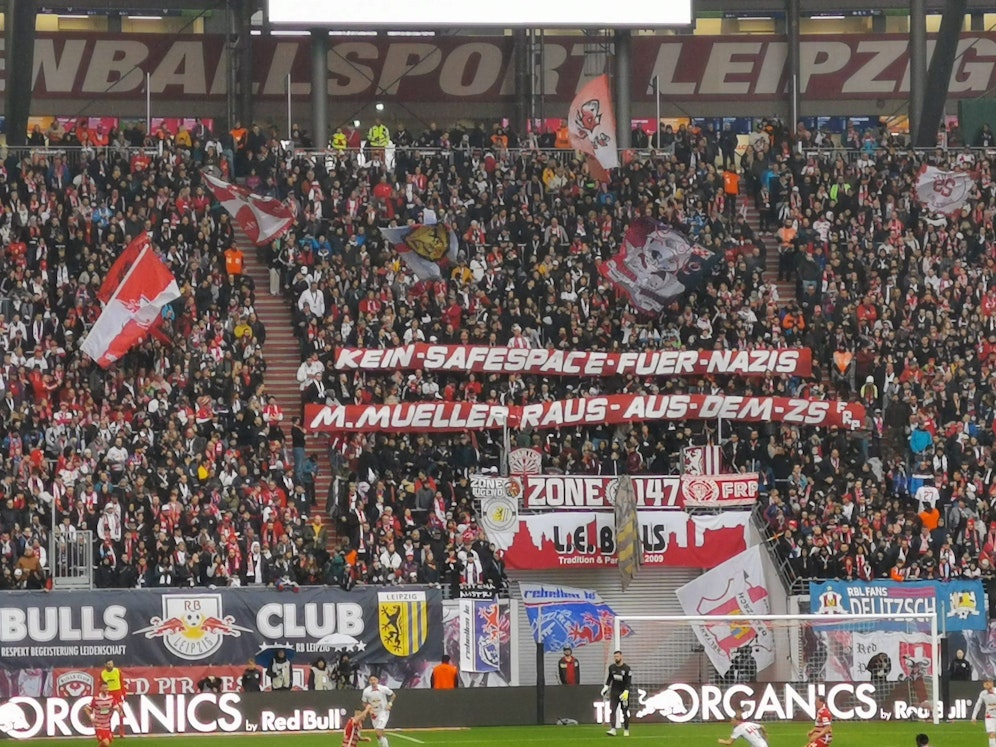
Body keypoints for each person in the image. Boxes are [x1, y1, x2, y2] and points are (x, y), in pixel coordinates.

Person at [601, 650, 631, 736]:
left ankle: (626, 729)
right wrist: (606, 687)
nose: (616, 658)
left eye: (617, 656)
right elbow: (610, 678)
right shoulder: (612, 668)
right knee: (612, 710)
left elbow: (628, 682)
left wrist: (626, 691)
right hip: (614, 692)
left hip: (623, 693)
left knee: (625, 711)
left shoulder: (627, 669)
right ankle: (613, 729)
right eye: (615, 657)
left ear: (621, 657)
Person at [85, 682, 123, 747]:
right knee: (106, 742)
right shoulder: (96, 699)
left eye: (107, 688)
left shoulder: (111, 698)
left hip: (107, 725)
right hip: (98, 725)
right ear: (100, 689)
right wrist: (91, 717)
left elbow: (116, 708)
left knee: (106, 744)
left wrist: (120, 711)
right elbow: (86, 708)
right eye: (104, 688)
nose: (106, 689)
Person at [361, 674, 395, 747]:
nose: (373, 681)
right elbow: (364, 703)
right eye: (371, 680)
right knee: (378, 734)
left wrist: (389, 704)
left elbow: (393, 695)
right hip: (374, 714)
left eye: (374, 680)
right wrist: (369, 709)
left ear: (377, 680)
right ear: (369, 681)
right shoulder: (366, 691)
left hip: (383, 712)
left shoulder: (383, 688)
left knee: (379, 731)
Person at [100, 659, 126, 738]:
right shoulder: (102, 673)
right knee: (106, 713)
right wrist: (102, 695)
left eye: (112, 664)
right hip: (108, 694)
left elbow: (122, 682)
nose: (111, 665)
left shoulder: (117, 671)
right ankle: (108, 732)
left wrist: (123, 694)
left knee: (120, 712)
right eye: (109, 664)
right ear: (105, 665)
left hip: (117, 693)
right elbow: (100, 685)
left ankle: (122, 732)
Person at [972, 678, 996, 747]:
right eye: (985, 683)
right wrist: (974, 717)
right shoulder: (983, 694)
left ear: (992, 683)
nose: (986, 685)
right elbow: (978, 705)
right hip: (989, 716)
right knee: (991, 734)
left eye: (988, 683)